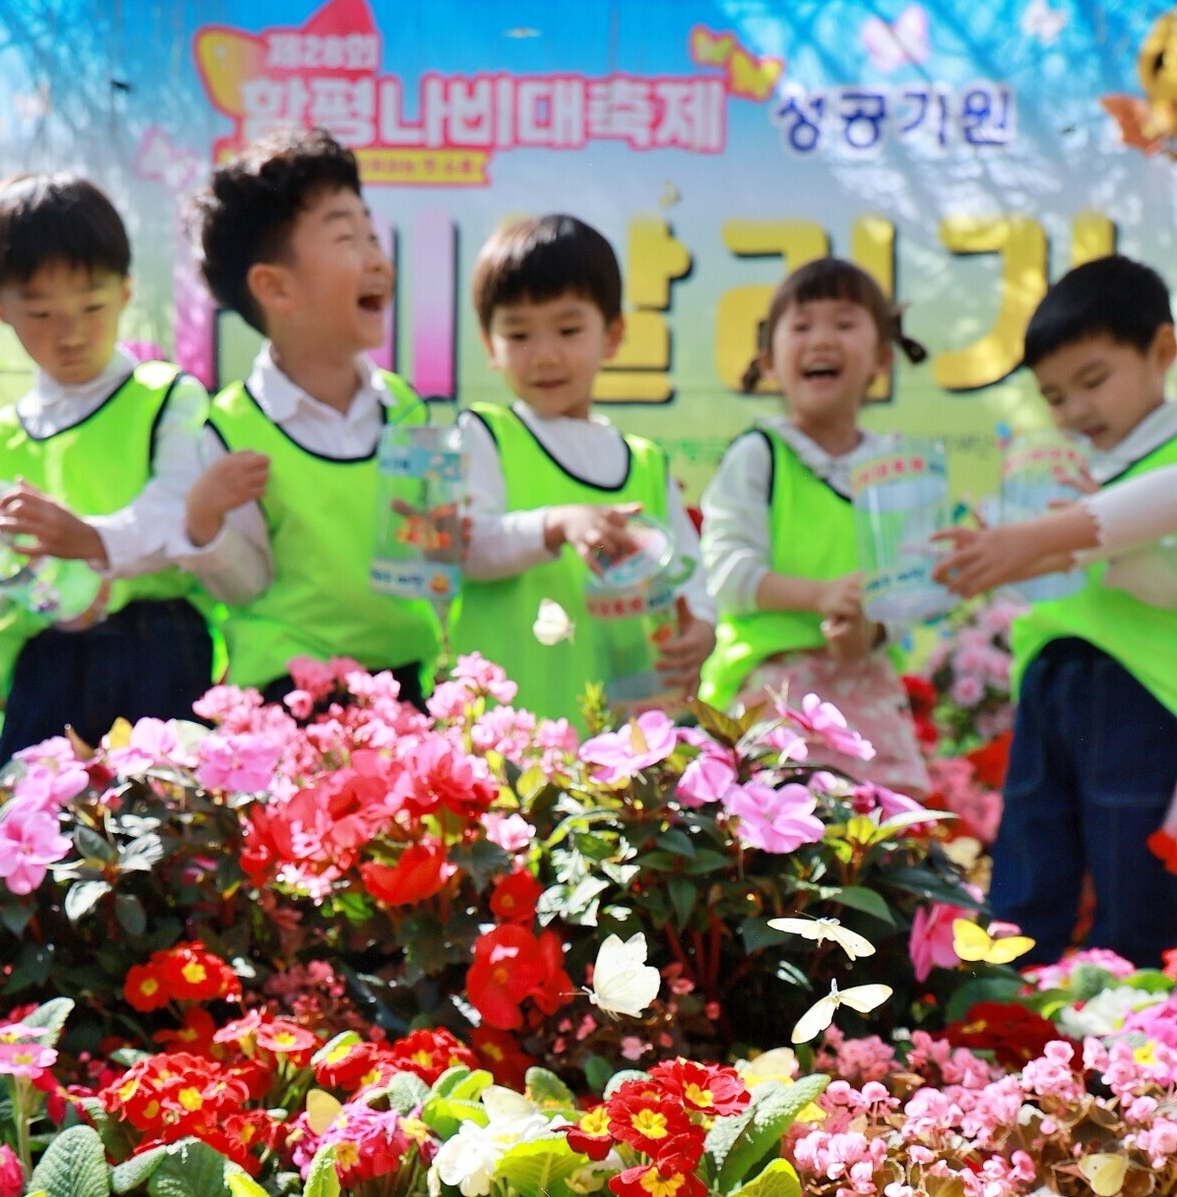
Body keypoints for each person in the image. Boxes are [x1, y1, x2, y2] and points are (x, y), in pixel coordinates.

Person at [0, 173, 265, 761]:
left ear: (127, 291)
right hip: (45, 669)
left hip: (158, 646)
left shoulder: (167, 397)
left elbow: (177, 514)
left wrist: (86, 538)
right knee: (37, 833)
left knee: (161, 830)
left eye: (91, 305)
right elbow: (2, 589)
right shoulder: (0, 435)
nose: (72, 332)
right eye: (40, 313)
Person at [934, 254, 1177, 965]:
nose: (1076, 411)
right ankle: (1003, 1001)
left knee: (1132, 863)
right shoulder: (1063, 466)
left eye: (1093, 381)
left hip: (1143, 691)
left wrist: (1031, 543)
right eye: (1054, 396)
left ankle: (1142, 1028)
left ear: (1162, 350)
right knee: (1032, 847)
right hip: (1053, 678)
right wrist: (985, 555)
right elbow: (1054, 550)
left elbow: (1129, 533)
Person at [194, 127, 439, 709]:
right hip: (289, 700)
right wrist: (205, 522)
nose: (376, 258)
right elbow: (245, 585)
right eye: (346, 237)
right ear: (275, 287)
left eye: (372, 234)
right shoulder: (232, 429)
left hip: (401, 686)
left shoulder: (403, 407)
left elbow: (426, 554)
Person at [452, 214, 715, 728]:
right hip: (508, 739)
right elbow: (468, 548)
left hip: (625, 750)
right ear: (489, 345)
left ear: (613, 335)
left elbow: (690, 575)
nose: (545, 355)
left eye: (568, 329)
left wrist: (701, 630)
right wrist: (557, 523)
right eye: (519, 333)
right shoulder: (484, 435)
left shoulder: (645, 461)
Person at [698, 257, 929, 794]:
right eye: (801, 327)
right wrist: (823, 595)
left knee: (884, 845)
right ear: (769, 360)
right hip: (769, 688)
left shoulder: (895, 470)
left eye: (845, 323)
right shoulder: (759, 455)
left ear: (881, 359)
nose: (821, 339)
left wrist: (871, 633)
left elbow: (912, 586)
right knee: (774, 842)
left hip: (867, 687)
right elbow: (728, 574)